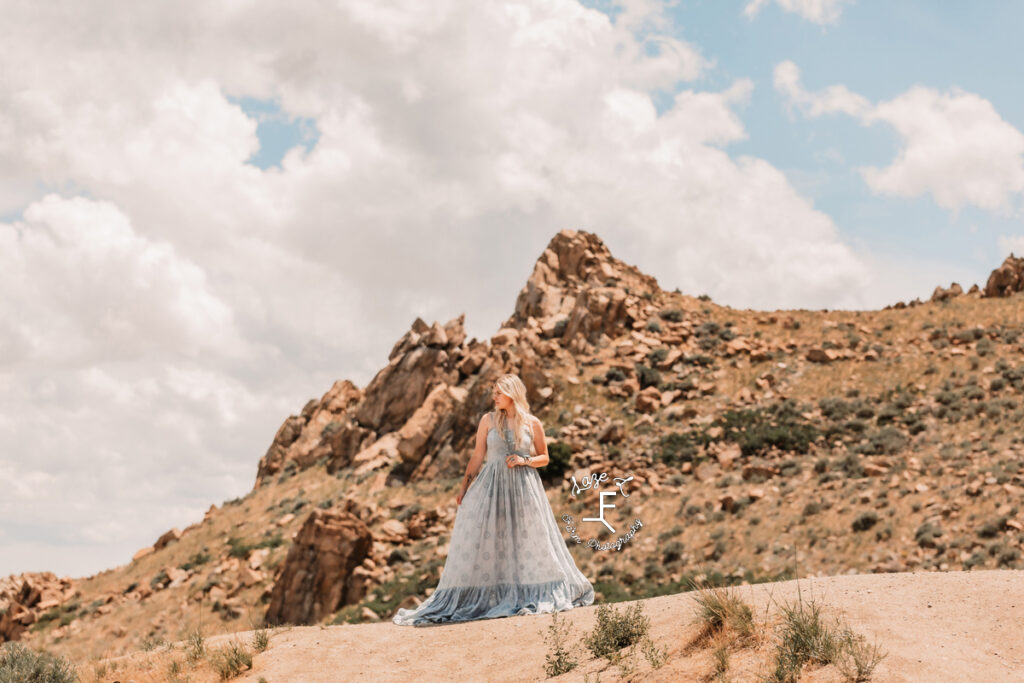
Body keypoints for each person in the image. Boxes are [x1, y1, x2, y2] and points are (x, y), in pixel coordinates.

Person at [392, 373, 595, 626]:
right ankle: (491, 596)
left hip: (523, 487)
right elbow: (478, 456)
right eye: (494, 392)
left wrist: (524, 460)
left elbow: (545, 457)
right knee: (491, 538)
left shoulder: (532, 423)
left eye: (499, 392)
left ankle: (524, 593)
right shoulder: (487, 420)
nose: (494, 396)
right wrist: (464, 488)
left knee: (526, 538)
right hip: (491, 486)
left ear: (512, 394)